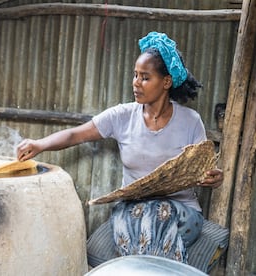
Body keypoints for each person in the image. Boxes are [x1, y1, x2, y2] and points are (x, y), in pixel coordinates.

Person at [16, 31, 223, 264]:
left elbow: (204, 167)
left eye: (145, 77)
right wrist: (39, 144)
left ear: (166, 82)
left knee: (157, 217)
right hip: (132, 209)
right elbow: (76, 134)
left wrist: (213, 178)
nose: (136, 83)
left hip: (181, 212)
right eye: (135, 75)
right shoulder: (122, 116)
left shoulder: (190, 120)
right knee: (138, 223)